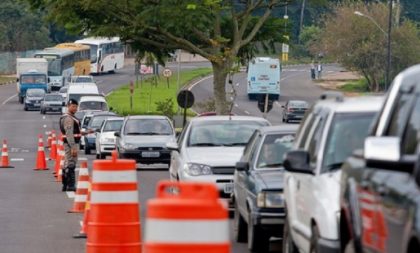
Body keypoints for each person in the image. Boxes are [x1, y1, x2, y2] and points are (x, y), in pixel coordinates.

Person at [59, 99, 92, 191]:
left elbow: (75, 132)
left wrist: (87, 132)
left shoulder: (71, 117)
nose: (75, 108)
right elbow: (69, 134)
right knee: (71, 164)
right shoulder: (68, 118)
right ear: (68, 106)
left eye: (76, 106)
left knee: (68, 164)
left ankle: (65, 185)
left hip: (71, 143)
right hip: (71, 144)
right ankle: (70, 185)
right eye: (73, 106)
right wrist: (73, 147)